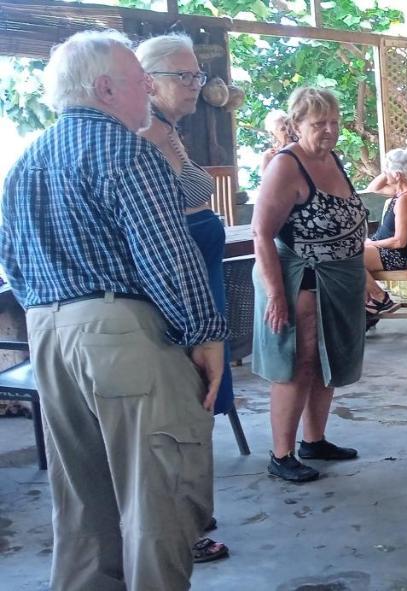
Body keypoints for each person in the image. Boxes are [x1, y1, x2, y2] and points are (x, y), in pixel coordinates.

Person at [0, 30, 227, 590]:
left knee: (83, 505)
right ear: (105, 87)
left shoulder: (30, 157)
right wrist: (206, 334)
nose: (148, 89)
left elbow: (13, 258)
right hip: (120, 335)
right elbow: (168, 257)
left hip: (48, 333)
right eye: (138, 79)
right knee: (159, 501)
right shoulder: (123, 148)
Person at [135, 32, 231, 565]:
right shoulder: (146, 134)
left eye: (198, 75)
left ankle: (190, 510)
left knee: (198, 404)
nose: (197, 85)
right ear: (147, 81)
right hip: (177, 295)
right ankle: (179, 527)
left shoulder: (169, 129)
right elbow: (175, 214)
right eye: (185, 76)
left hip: (198, 283)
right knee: (179, 409)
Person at [252, 87, 367, 483]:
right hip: (303, 279)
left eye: (334, 122)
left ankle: (314, 440)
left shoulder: (332, 158)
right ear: (296, 124)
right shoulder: (286, 166)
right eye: (319, 124)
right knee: (297, 363)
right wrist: (276, 295)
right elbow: (261, 233)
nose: (330, 131)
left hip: (338, 280)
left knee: (326, 359)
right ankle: (281, 453)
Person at [362, 147, 407, 315]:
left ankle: (380, 297)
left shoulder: (404, 199)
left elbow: (400, 241)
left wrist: (373, 243)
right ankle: (369, 307)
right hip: (388, 251)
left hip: (396, 256)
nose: (385, 174)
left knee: (348, 258)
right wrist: (390, 167)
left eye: (387, 171)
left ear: (397, 175)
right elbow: (373, 188)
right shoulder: (400, 192)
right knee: (349, 252)